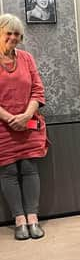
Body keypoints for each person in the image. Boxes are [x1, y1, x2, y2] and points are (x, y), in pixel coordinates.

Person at [0, 13, 48, 240]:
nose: (13, 37)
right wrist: (11, 118)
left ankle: (33, 218)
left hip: (28, 122)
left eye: (17, 34)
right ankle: (19, 220)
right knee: (8, 171)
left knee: (29, 168)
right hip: (3, 125)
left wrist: (26, 115)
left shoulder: (27, 58)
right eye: (8, 33)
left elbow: (38, 90)